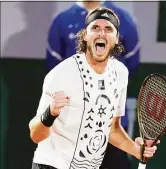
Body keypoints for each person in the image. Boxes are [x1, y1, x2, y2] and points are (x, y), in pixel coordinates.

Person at [29, 7, 157, 169]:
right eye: (95, 28)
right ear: (85, 36)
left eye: (108, 29)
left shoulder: (120, 73)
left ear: (116, 38)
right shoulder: (61, 74)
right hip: (52, 165)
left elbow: (112, 129)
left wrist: (137, 150)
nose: (101, 33)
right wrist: (50, 113)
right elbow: (35, 135)